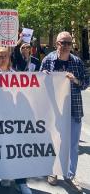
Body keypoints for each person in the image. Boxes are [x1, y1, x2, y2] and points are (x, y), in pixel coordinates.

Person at [40, 31, 89, 193]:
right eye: (63, 42)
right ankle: (53, 171)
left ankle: (70, 175)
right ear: (57, 44)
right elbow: (38, 83)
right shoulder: (48, 60)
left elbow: (85, 84)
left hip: (74, 109)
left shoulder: (77, 62)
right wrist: (44, 77)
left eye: (68, 43)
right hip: (53, 111)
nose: (66, 46)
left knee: (73, 146)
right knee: (54, 143)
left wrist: (74, 79)